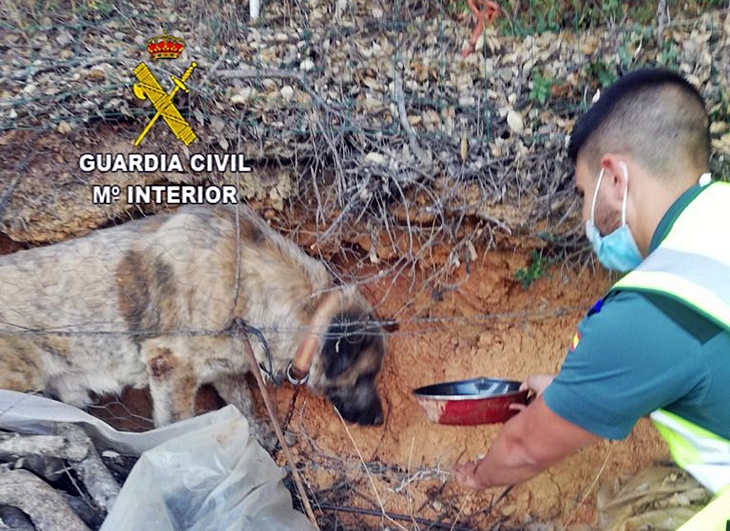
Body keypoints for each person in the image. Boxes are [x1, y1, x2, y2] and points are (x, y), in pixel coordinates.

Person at [453, 67, 730, 528]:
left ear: (616, 177)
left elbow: (523, 449)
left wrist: (477, 476)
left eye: (584, 192)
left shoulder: (656, 306)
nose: (585, 213)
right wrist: (574, 391)